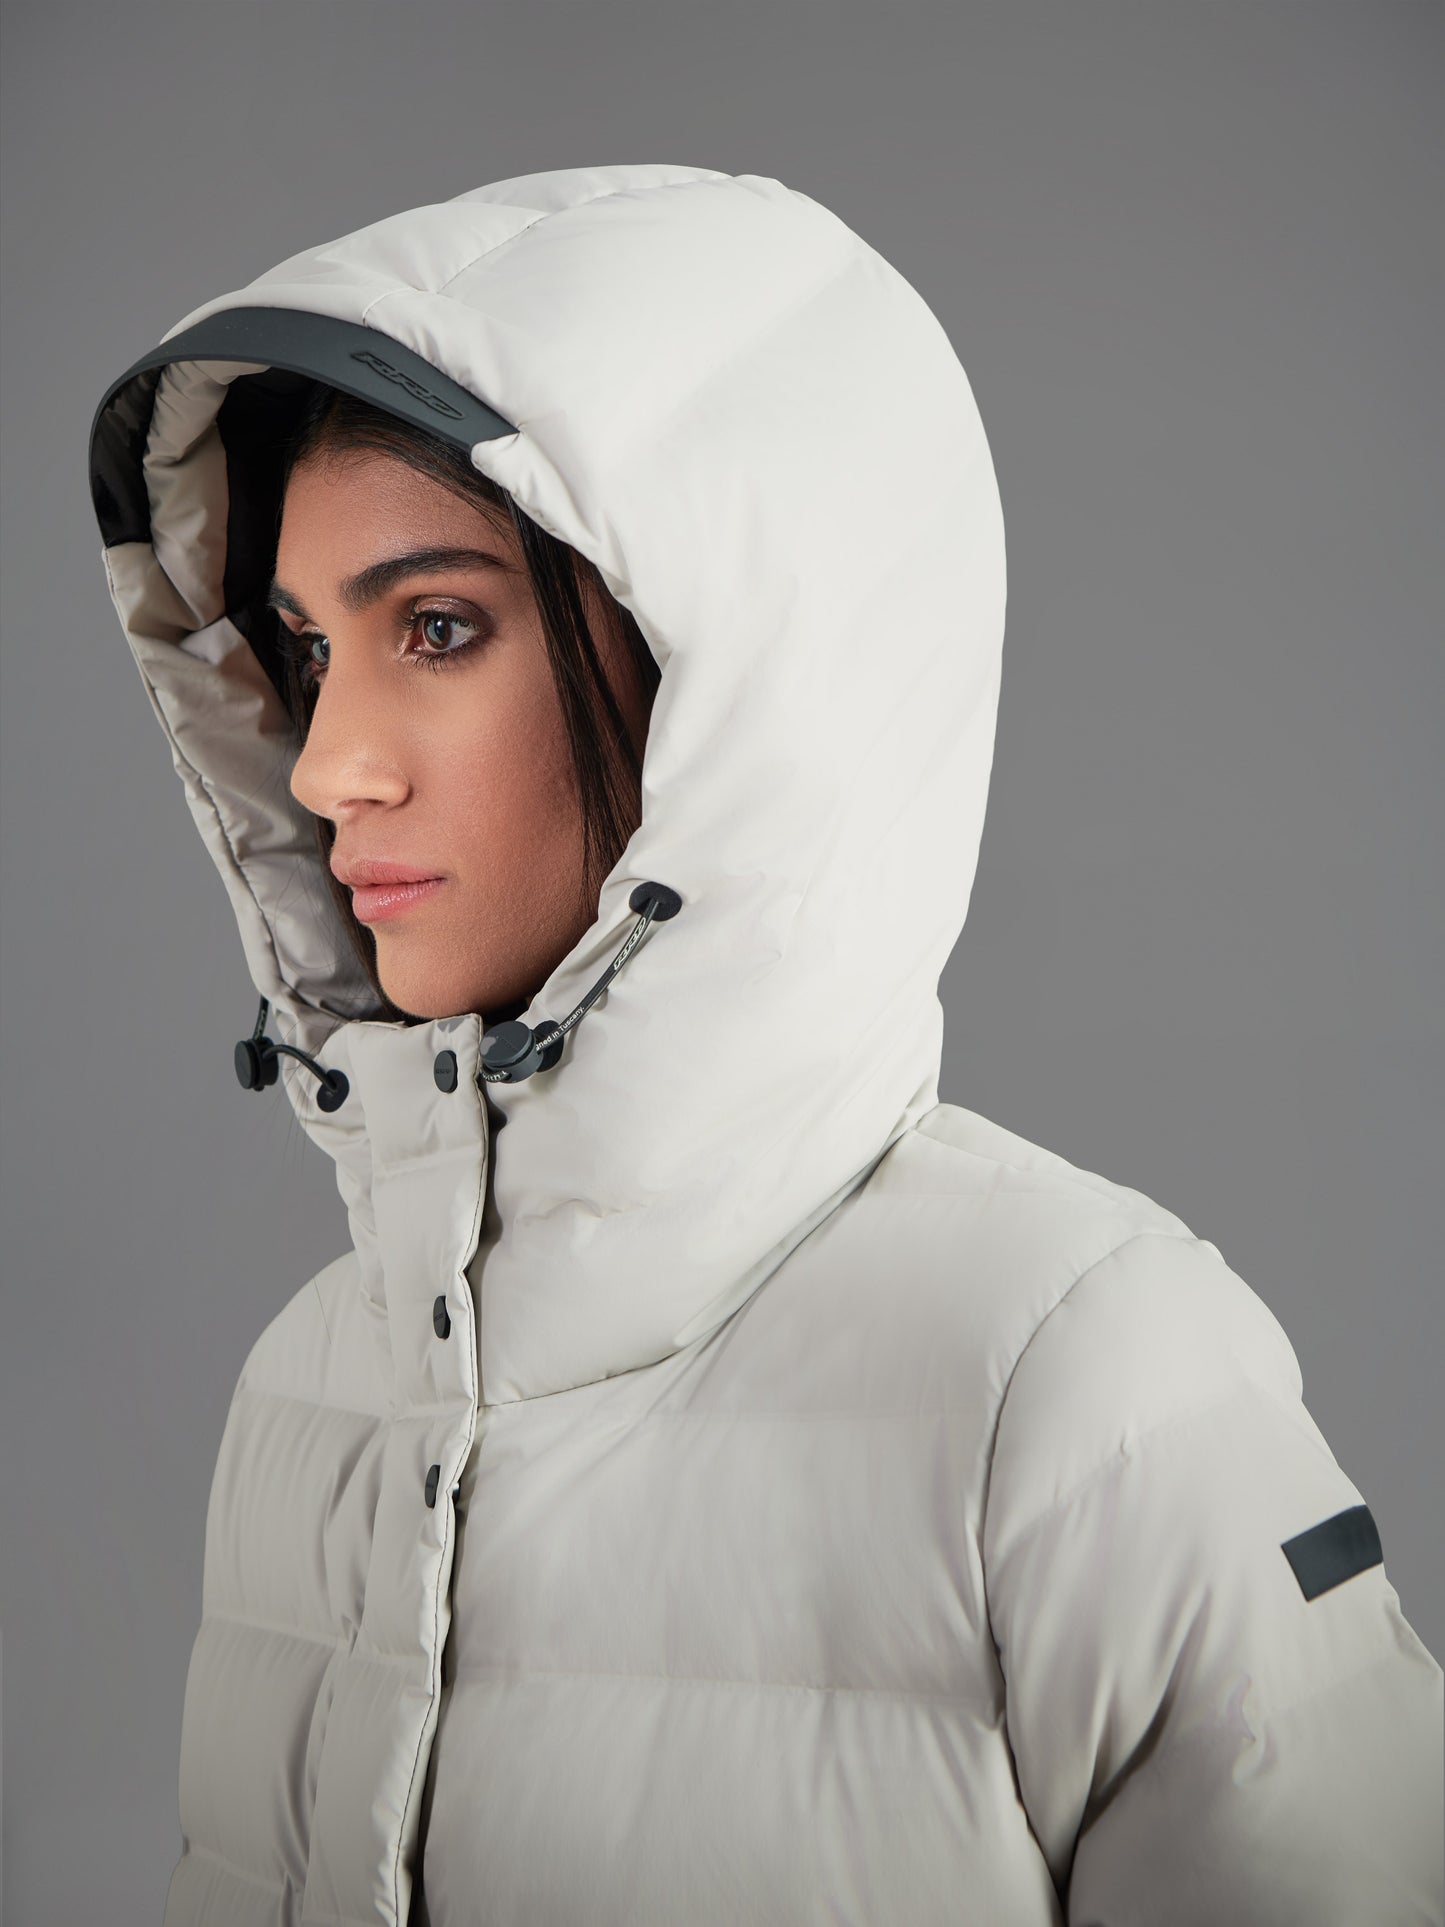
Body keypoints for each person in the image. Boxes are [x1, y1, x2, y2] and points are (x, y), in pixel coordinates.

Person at [87, 163, 1442, 1927]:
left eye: (437, 628)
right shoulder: (311, 1387)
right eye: (303, 649)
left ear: (729, 676)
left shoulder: (1080, 1375)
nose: (332, 762)